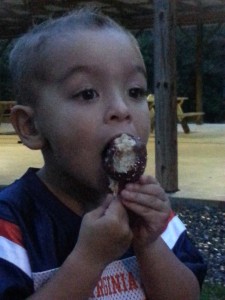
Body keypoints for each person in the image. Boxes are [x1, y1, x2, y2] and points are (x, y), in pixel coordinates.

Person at [0, 7, 206, 299]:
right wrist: (87, 261)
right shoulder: (11, 225)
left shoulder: (153, 214)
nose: (122, 110)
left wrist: (149, 245)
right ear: (31, 126)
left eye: (135, 92)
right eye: (87, 93)